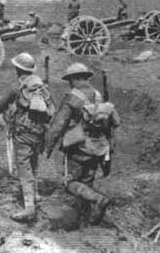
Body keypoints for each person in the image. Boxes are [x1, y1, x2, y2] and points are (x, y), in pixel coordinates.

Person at [42, 63, 120, 225]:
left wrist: (48, 147)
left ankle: (98, 199)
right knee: (87, 181)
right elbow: (113, 123)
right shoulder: (98, 96)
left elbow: (58, 125)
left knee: (70, 183)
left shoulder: (72, 97)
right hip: (98, 146)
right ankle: (87, 218)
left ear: (73, 79)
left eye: (70, 79)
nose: (70, 83)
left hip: (79, 147)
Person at [0, 52, 55, 222]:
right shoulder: (41, 86)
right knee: (33, 163)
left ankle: (29, 208)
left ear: (17, 68)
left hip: (23, 132)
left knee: (23, 167)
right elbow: (51, 111)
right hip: (39, 132)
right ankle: (35, 194)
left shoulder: (17, 87)